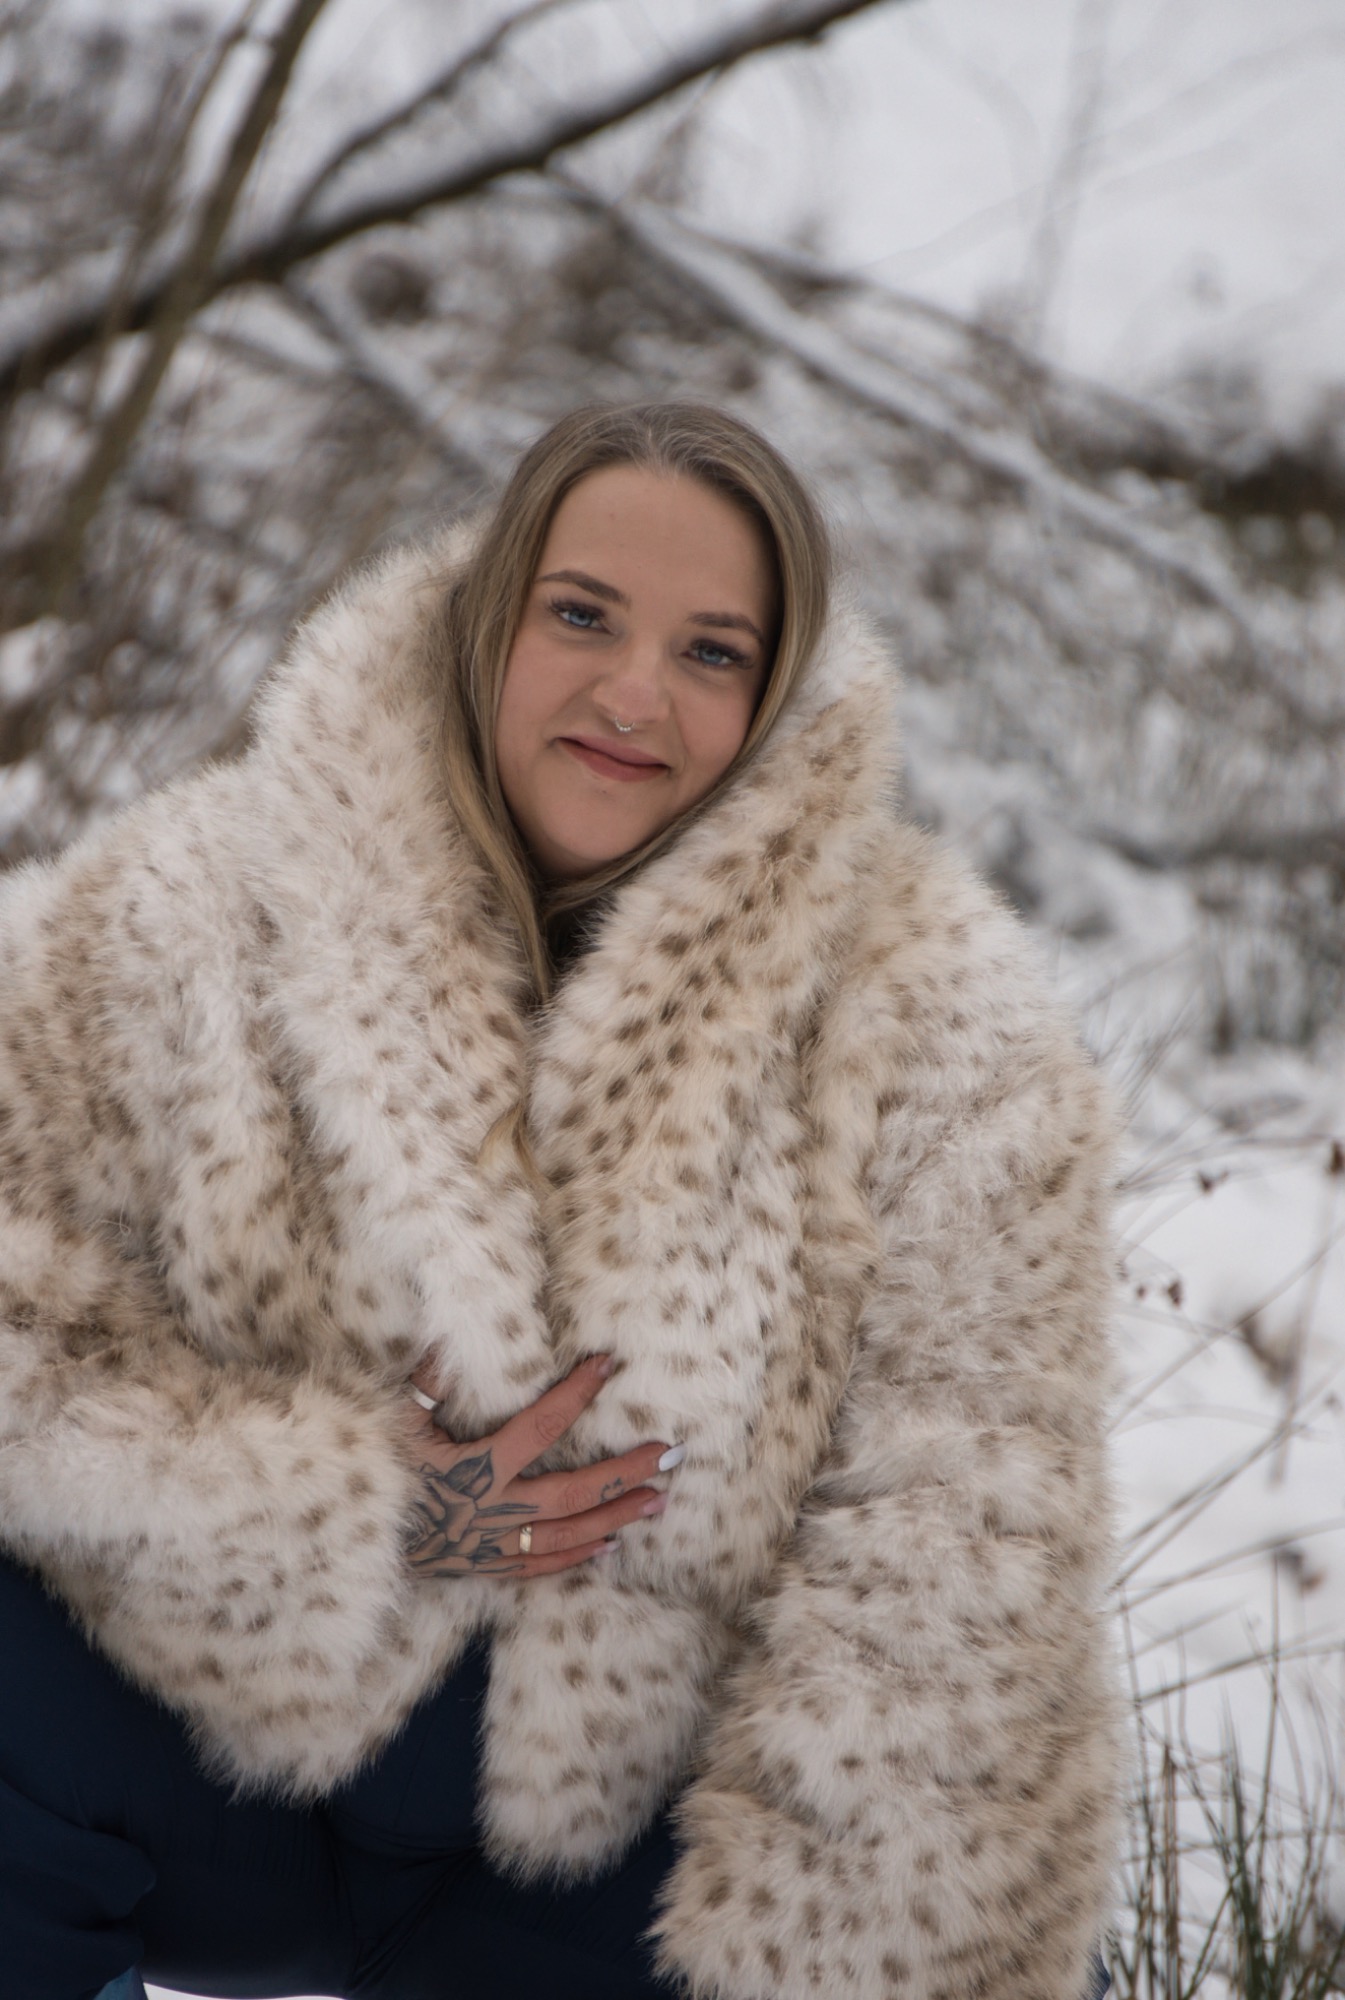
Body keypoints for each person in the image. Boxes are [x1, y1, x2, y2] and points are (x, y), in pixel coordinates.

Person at [0, 403, 1119, 2000]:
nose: (634, 694)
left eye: (712, 651)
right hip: (208, 1759)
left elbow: (966, 1561)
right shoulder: (200, 905)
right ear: (488, 615)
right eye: (582, 614)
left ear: (776, 695)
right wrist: (342, 1509)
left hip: (618, 1869)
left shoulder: (944, 1027)